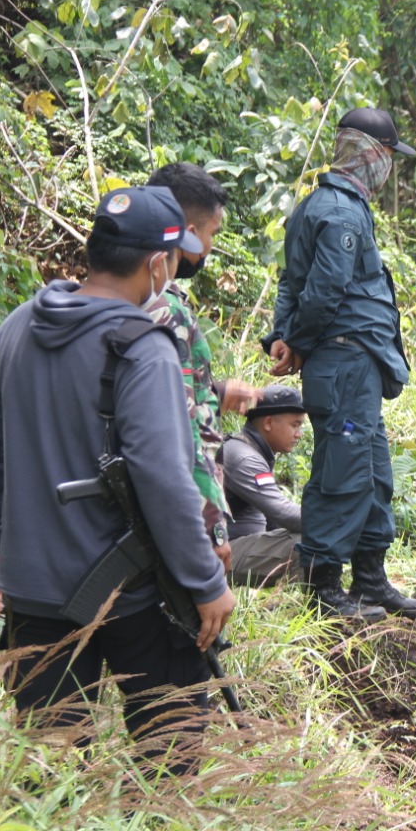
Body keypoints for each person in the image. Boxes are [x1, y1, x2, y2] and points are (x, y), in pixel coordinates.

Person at [0, 186, 236, 773]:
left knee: (49, 770)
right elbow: (165, 478)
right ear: (158, 264)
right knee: (171, 758)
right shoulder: (145, 347)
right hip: (136, 591)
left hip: (33, 588)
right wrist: (205, 580)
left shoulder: (13, 330)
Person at [262, 107, 416, 620]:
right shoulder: (343, 212)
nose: (391, 168)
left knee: (373, 472)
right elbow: (324, 290)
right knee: (343, 472)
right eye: (390, 157)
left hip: (358, 364)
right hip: (345, 360)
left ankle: (370, 579)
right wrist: (299, 343)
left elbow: (293, 282)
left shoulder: (316, 206)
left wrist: (282, 337)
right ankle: (323, 584)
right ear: (372, 154)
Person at [145, 163, 260, 572]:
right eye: (211, 234)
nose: (210, 248)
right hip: (180, 520)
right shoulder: (166, 309)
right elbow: (183, 430)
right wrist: (211, 532)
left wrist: (220, 391)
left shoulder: (137, 298)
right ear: (186, 232)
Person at [221, 384, 308, 587]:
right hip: (216, 556)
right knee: (309, 542)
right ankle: (312, 603)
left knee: (312, 534)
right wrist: (339, 523)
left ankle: (295, 599)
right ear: (268, 422)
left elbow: (274, 520)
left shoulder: (253, 450)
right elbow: (283, 513)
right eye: (294, 425)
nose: (299, 434)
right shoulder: (244, 457)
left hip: (233, 549)